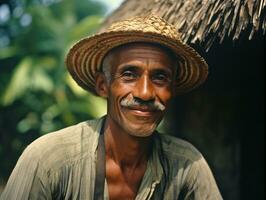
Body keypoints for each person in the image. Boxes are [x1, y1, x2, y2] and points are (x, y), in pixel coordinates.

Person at [1, 15, 222, 200]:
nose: (145, 93)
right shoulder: (50, 160)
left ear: (172, 90)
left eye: (160, 77)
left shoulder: (187, 166)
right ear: (103, 85)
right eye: (128, 74)